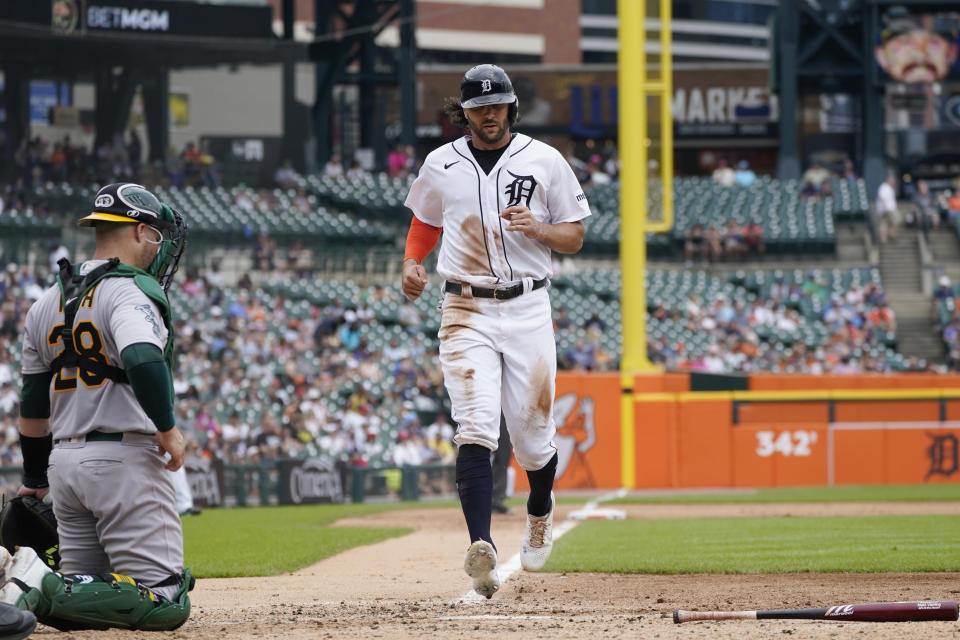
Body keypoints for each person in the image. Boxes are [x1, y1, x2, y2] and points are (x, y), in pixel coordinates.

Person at [400, 64, 589, 599]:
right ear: (464, 112)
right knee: (476, 427)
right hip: (465, 308)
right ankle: (480, 545)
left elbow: (573, 236)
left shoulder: (543, 159)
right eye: (478, 107)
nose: (488, 114)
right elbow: (424, 221)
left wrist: (541, 228)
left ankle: (539, 510)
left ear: (510, 108)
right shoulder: (441, 163)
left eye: (497, 105)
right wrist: (413, 263)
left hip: (528, 306)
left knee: (532, 439)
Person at [7, 183, 193, 630]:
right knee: (166, 601)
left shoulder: (45, 302)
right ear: (140, 232)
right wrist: (167, 429)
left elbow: (33, 404)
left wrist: (34, 479)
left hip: (64, 467)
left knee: (82, 602)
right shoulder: (128, 291)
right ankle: (36, 580)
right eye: (155, 235)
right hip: (122, 461)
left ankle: (20, 583)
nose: (160, 246)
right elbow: (143, 358)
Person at [876, 174, 899, 243]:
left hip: (888, 209)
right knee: (896, 220)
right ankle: (890, 235)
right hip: (887, 209)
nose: (894, 182)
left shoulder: (888, 187)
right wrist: (885, 208)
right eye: (893, 181)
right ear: (889, 180)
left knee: (885, 223)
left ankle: (885, 238)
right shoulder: (884, 187)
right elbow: (882, 198)